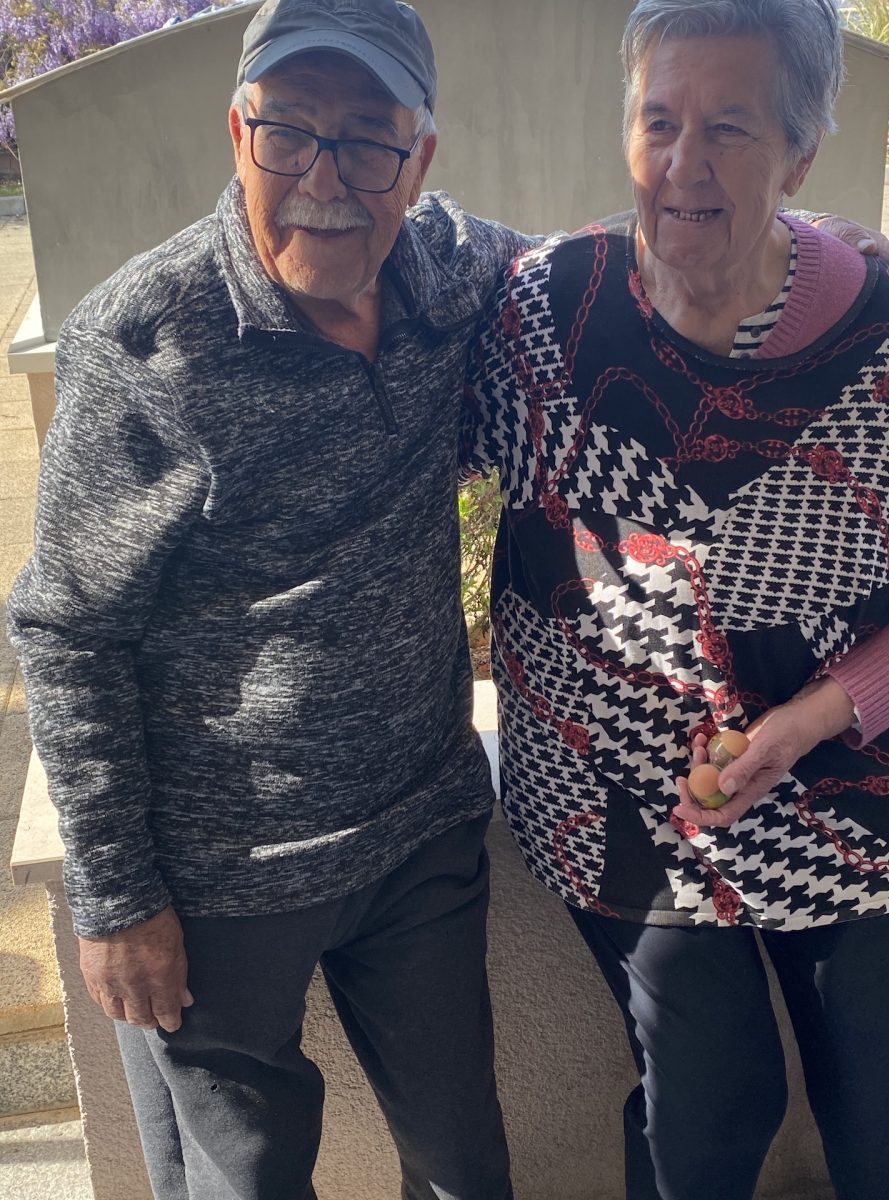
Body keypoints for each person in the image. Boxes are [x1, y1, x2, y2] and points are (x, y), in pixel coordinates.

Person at [5, 1, 533, 1196]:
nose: (324, 180)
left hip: (420, 835)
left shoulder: (457, 273)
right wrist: (117, 899)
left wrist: (834, 258)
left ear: (420, 161)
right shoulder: (146, 343)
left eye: (367, 140)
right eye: (288, 131)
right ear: (238, 133)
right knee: (243, 1185)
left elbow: (610, 275)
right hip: (219, 883)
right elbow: (69, 630)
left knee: (465, 1165)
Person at [461, 1, 889, 1198]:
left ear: (802, 154)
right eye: (659, 121)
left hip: (846, 769)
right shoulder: (543, 311)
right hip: (615, 777)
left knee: (887, 1103)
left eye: (730, 129)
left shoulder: (886, 335)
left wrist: (817, 716)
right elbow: (384, 426)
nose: (683, 164)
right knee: (713, 1096)